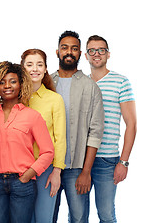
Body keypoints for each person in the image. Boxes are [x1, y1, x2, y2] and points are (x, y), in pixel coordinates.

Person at [0, 61, 55, 223]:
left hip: (22, 183)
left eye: (13, 81)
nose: (7, 86)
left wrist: (30, 174)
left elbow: (48, 151)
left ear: (21, 84)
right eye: (2, 82)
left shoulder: (32, 116)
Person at [52, 31, 105, 223]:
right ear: (57, 51)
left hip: (77, 168)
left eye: (74, 48)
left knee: (79, 218)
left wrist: (86, 172)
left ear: (80, 53)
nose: (69, 52)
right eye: (64, 47)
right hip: (49, 167)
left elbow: (95, 132)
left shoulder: (91, 87)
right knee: (46, 217)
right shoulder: (46, 84)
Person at [86, 35, 137, 222]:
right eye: (92, 50)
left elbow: (131, 124)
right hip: (80, 159)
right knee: (76, 215)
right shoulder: (82, 82)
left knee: (106, 214)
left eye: (101, 50)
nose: (96, 54)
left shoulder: (121, 82)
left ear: (108, 54)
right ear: (86, 55)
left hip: (107, 160)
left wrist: (123, 162)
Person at [21, 49, 66, 223]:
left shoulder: (55, 99)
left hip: (46, 170)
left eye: (39, 65)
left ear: (46, 69)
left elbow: (60, 138)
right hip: (20, 169)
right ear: (22, 68)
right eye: (29, 64)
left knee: (43, 219)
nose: (35, 69)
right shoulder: (16, 99)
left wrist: (57, 171)